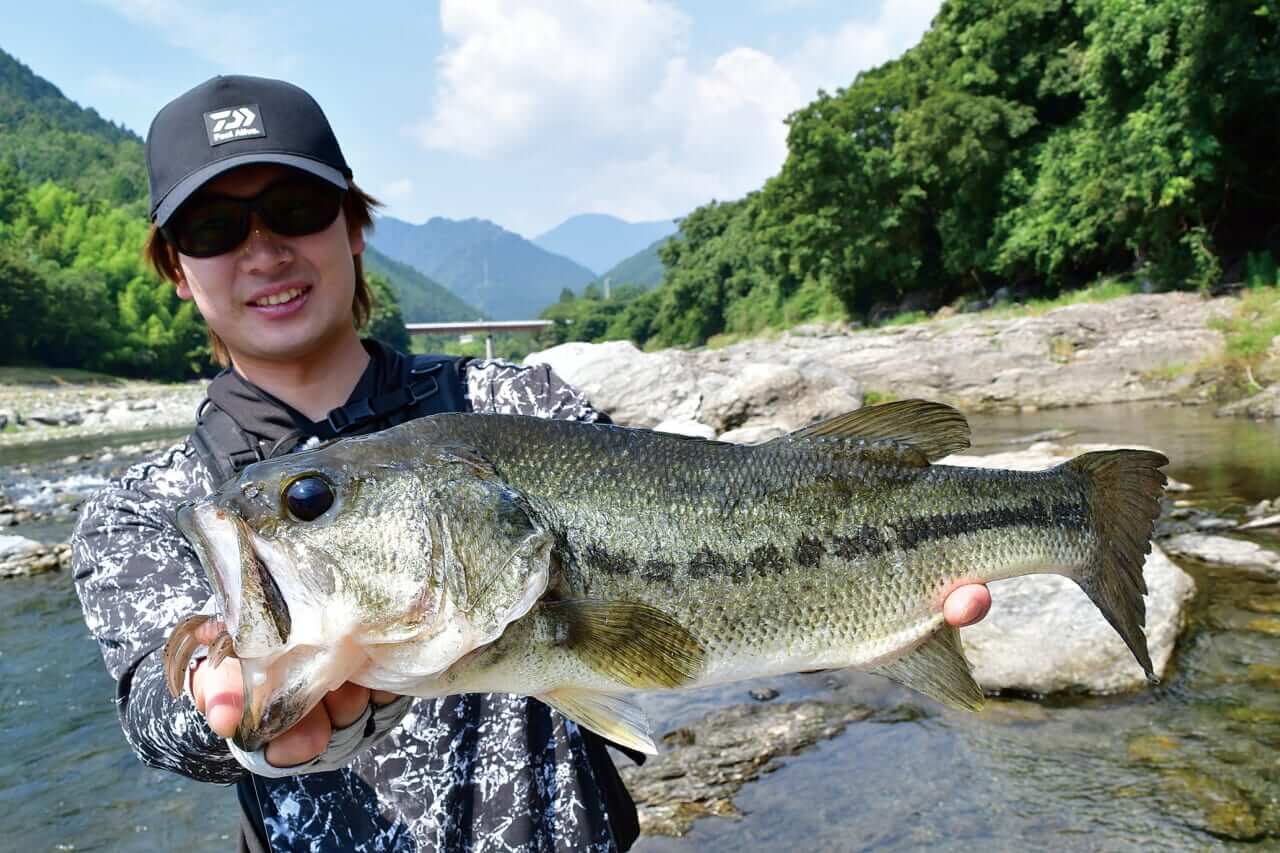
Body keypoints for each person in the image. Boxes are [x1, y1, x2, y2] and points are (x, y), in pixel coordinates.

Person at [71, 74, 991, 852]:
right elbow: (160, 717)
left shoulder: (521, 402)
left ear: (353, 225)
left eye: (297, 209)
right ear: (176, 268)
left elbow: (696, 549)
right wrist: (233, 707)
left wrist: (873, 599)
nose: (264, 250)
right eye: (213, 229)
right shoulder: (147, 509)